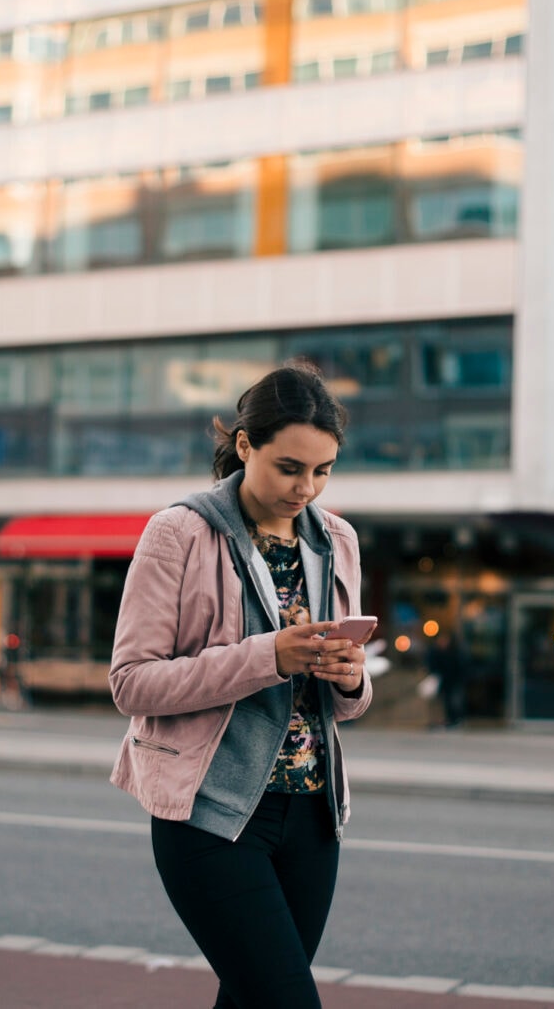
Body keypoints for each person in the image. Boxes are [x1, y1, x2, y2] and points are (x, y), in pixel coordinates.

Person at [109, 363, 373, 1009]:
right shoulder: (178, 533)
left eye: (322, 471)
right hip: (211, 817)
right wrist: (269, 657)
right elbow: (131, 683)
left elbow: (344, 704)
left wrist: (351, 677)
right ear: (246, 446)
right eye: (289, 468)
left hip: (312, 817)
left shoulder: (338, 540)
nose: (305, 488)